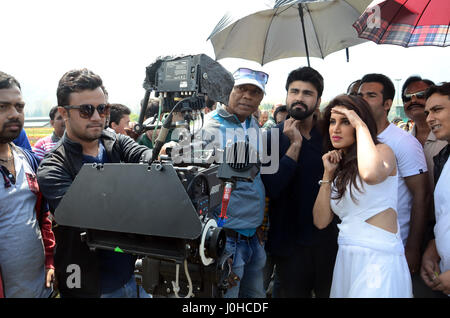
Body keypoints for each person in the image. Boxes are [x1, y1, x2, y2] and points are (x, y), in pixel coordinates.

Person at [37, 68, 152, 298]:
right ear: (64, 113)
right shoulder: (53, 167)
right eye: (86, 110)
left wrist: (160, 157)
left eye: (103, 109)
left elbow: (146, 157)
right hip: (92, 284)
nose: (97, 117)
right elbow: (90, 216)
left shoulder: (115, 142)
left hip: (136, 276)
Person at [313, 94, 412, 297]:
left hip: (378, 257)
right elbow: (321, 221)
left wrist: (360, 125)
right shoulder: (339, 167)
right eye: (332, 122)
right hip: (346, 256)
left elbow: (370, 174)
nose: (336, 129)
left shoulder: (383, 151)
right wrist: (327, 174)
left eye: (346, 122)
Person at [261, 66, 338, 298]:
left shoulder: (330, 136)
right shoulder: (272, 137)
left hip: (328, 241)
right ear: (286, 95)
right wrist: (294, 146)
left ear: (318, 100)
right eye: (294, 91)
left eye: (307, 93)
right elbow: (273, 188)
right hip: (289, 245)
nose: (299, 98)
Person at [198, 67, 268, 298]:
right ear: (227, 90)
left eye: (255, 92)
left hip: (252, 236)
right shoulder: (209, 127)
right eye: (241, 89)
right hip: (227, 239)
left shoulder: (253, 125)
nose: (247, 96)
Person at [358, 74, 431, 284]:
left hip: (394, 247)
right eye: (359, 95)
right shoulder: (356, 139)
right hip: (360, 245)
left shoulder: (404, 143)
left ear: (387, 104)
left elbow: (421, 197)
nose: (362, 100)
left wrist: (413, 249)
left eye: (370, 95)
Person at [0, 70, 55, 297]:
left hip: (40, 289)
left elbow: (42, 216)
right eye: (3, 107)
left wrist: (50, 262)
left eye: (19, 107)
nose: (15, 114)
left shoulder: (29, 159)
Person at [421, 82, 450, 297]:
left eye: (437, 110)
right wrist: (433, 248)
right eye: (427, 112)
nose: (429, 118)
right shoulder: (443, 158)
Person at [402, 76, 448, 187]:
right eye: (407, 98)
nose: (413, 100)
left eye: (420, 95)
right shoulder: (403, 141)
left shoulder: (446, 139)